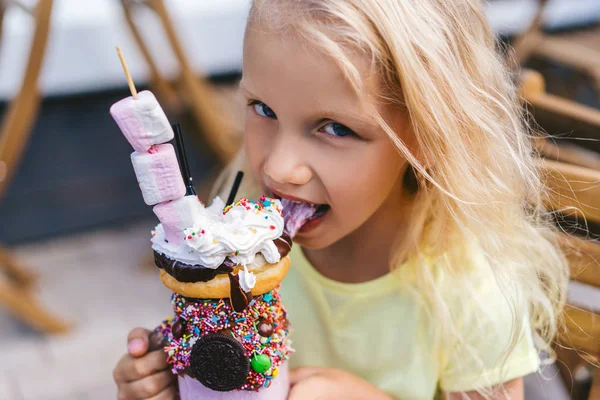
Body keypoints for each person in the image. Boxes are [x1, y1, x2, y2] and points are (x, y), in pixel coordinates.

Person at [113, 0, 569, 398]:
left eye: (335, 128)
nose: (277, 168)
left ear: (429, 138)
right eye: (263, 109)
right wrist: (174, 385)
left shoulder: (469, 292)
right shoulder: (238, 261)